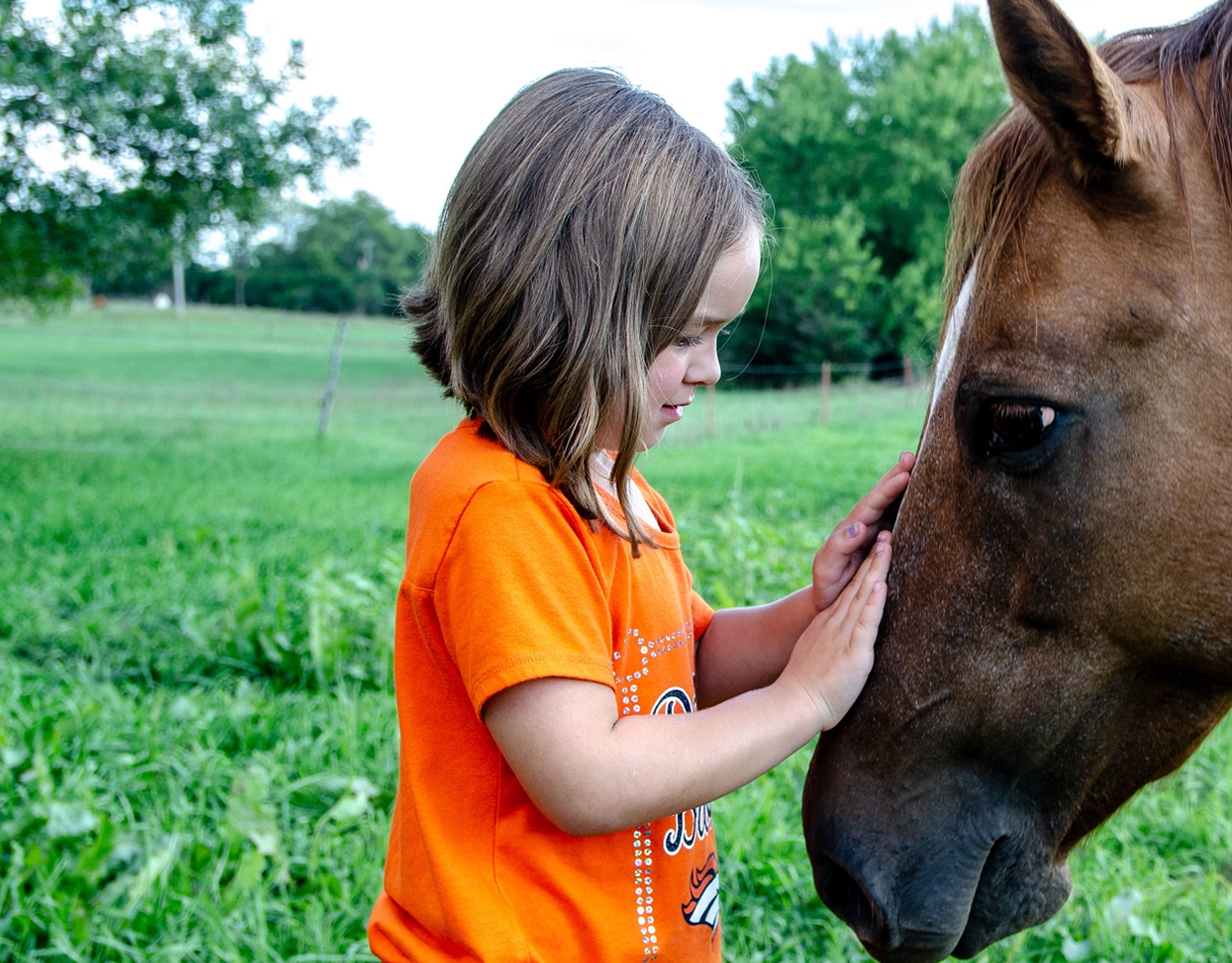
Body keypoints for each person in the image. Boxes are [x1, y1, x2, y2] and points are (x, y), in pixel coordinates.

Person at [368, 67, 912, 962]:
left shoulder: (612, 484)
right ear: (566, 309)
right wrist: (802, 699)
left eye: (721, 337)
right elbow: (586, 776)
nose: (711, 369)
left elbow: (680, 665)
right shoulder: (501, 507)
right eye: (688, 334)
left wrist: (812, 612)